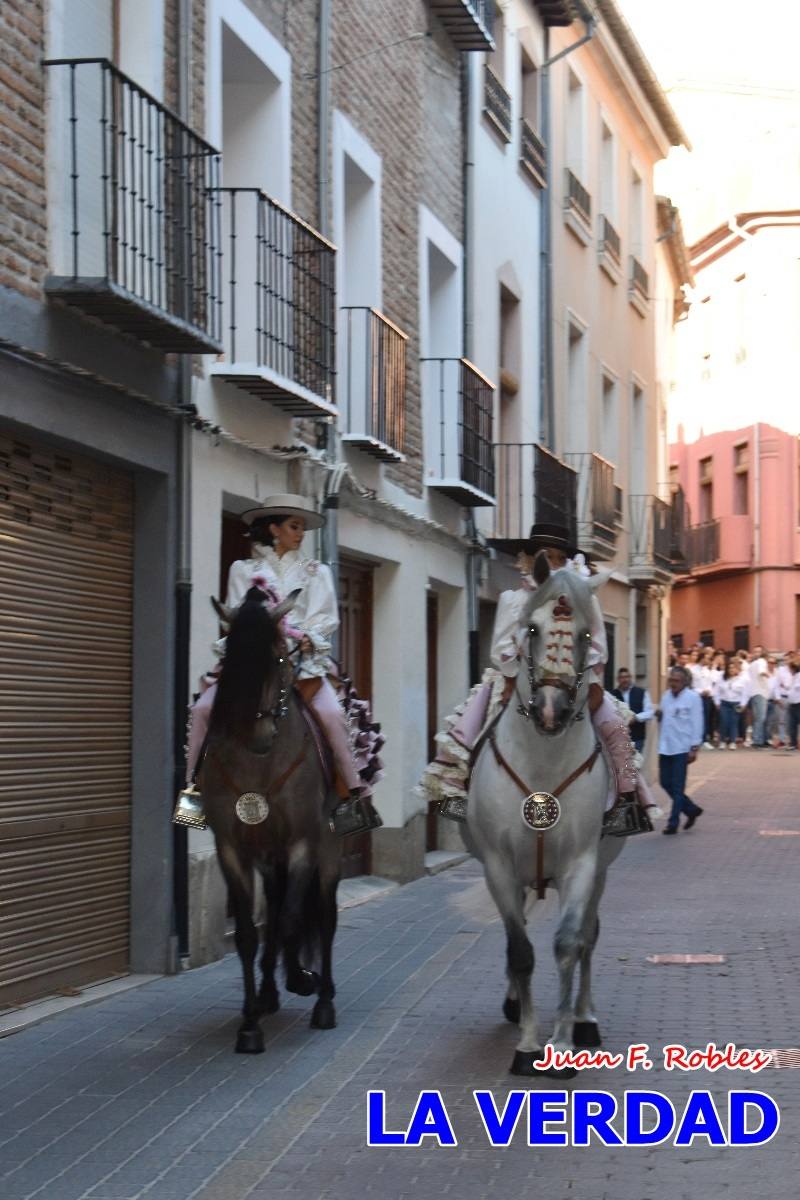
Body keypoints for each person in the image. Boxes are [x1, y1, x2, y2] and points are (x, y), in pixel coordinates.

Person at [419, 523, 658, 836]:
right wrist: (525, 655)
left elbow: (599, 646)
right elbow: (499, 649)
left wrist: (577, 664)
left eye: (560, 557)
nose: (554, 563)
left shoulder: (585, 599)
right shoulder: (512, 599)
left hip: (575, 680)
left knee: (615, 729)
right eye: (546, 556)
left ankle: (628, 799)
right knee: (472, 721)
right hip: (520, 677)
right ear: (529, 559)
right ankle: (456, 788)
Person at [180, 494, 382, 837]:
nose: (300, 533)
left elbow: (326, 619)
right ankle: (193, 794)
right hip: (252, 664)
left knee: (333, 716)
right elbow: (235, 618)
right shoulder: (243, 571)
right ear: (274, 528)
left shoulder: (316, 572)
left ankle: (352, 797)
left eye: (301, 527)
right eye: (294, 526)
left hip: (304, 665)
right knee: (202, 709)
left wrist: (305, 637)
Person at [656, 666, 705, 834]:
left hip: (682, 748)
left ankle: (673, 823)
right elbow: (663, 719)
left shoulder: (693, 698)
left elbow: (697, 723)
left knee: (677, 787)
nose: (673, 683)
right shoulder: (666, 697)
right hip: (665, 746)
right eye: (671, 680)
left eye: (676, 681)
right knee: (664, 782)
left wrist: (694, 748)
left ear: (684, 682)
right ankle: (691, 809)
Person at [612, 667, 655, 754]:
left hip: (637, 737)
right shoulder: (612, 695)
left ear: (630, 678)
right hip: (619, 738)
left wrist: (636, 718)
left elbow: (650, 712)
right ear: (618, 679)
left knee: (635, 764)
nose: (625, 680)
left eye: (627, 677)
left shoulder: (642, 692)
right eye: (622, 677)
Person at [713, 657, 750, 749]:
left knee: (734, 723)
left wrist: (743, 704)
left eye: (733, 668)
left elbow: (745, 694)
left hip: (736, 703)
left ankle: (732, 741)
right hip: (724, 703)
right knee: (724, 721)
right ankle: (722, 741)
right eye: (729, 668)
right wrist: (717, 702)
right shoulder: (721, 678)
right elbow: (716, 691)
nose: (731, 670)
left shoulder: (742, 680)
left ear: (737, 669)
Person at [747, 645, 770, 748]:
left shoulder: (752, 664)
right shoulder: (762, 661)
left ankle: (758, 739)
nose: (757, 653)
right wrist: (767, 674)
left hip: (753, 692)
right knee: (761, 718)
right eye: (755, 651)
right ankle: (758, 741)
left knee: (757, 718)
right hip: (761, 692)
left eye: (758, 651)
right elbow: (761, 672)